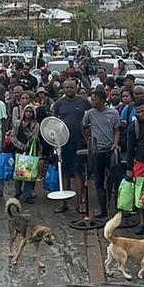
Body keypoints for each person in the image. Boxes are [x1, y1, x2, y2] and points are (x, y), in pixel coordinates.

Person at [52, 80, 92, 214]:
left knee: (78, 173)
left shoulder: (84, 102)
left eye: (71, 87)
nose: (69, 89)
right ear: (63, 88)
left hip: (79, 143)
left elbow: (90, 120)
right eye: (66, 87)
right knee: (64, 173)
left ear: (76, 88)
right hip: (63, 144)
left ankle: (79, 203)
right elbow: (53, 122)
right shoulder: (58, 104)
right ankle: (64, 203)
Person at [82, 89, 120, 219]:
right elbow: (84, 126)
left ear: (103, 100)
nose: (92, 101)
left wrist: (115, 143)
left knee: (114, 180)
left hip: (109, 151)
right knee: (98, 181)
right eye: (91, 99)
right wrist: (89, 141)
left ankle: (116, 209)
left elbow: (117, 130)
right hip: (96, 152)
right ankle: (102, 210)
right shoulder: (90, 114)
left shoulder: (113, 113)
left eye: (95, 99)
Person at [126, 99, 144, 234]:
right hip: (140, 164)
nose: (141, 114)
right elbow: (130, 148)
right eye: (138, 112)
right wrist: (129, 168)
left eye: (143, 111)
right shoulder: (133, 127)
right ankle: (142, 223)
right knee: (140, 195)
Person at [11, 104, 39, 204]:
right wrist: (21, 146)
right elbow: (13, 136)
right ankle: (18, 192)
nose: (28, 114)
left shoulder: (35, 125)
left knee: (28, 174)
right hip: (19, 150)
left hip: (30, 152)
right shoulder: (18, 123)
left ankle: (27, 194)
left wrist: (26, 130)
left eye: (30, 112)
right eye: (26, 112)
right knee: (18, 173)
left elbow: (34, 139)